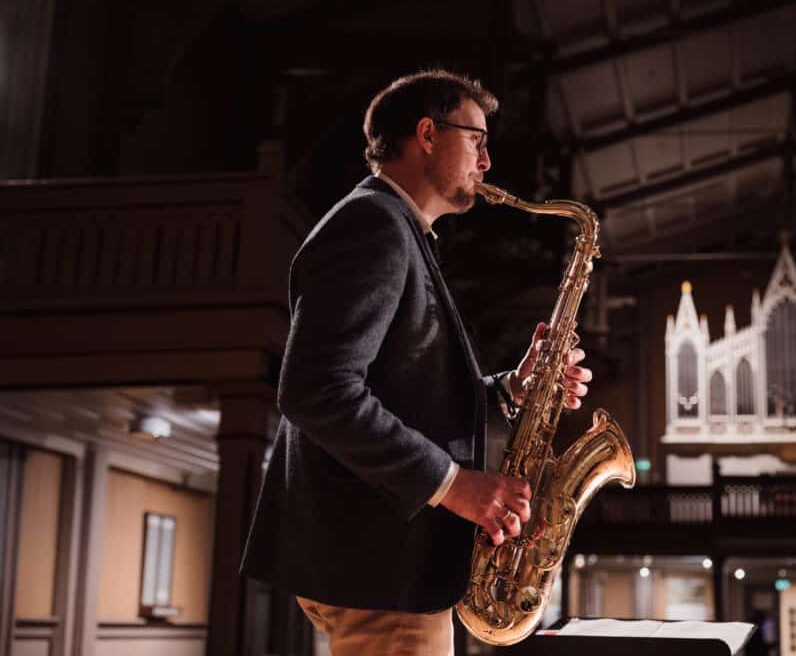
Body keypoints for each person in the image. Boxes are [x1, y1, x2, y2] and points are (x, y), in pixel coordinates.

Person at [240, 69, 594, 655]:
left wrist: (511, 389)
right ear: (427, 134)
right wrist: (453, 485)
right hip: (379, 563)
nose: (486, 163)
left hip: (384, 563)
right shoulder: (372, 226)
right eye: (477, 140)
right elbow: (316, 390)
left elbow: (401, 390)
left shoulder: (395, 228)